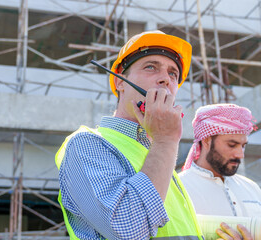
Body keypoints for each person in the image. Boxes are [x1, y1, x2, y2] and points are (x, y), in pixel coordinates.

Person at [55, 30, 204, 239]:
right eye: (150, 67)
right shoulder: (86, 144)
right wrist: (165, 140)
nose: (165, 79)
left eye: (173, 73)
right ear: (120, 82)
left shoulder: (158, 155)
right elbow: (129, 230)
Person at [179, 104, 261, 218]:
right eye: (232, 145)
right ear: (206, 140)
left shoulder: (251, 188)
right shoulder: (179, 188)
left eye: (243, 146)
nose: (240, 155)